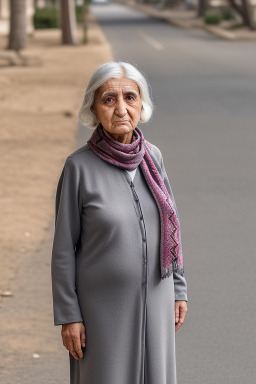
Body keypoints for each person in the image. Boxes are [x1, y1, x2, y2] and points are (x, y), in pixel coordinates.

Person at [51, 61, 188, 384]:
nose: (121, 108)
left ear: (142, 105)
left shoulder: (153, 157)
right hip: (102, 311)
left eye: (130, 97)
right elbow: (63, 249)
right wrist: (70, 315)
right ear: (94, 109)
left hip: (157, 298)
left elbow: (172, 225)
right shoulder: (78, 168)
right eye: (108, 100)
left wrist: (178, 288)